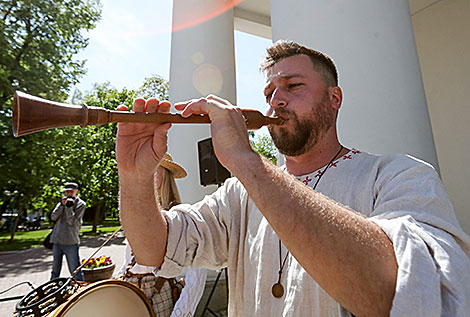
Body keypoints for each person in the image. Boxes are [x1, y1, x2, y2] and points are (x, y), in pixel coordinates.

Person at [115, 40, 470, 316]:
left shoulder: (398, 175)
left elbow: (406, 293)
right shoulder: (239, 193)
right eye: (269, 93)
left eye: (294, 86)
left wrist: (246, 161)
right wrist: (134, 177)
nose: (276, 102)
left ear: (335, 98)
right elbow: (155, 250)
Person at [116, 153, 207, 317]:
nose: (146, 173)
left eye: (154, 168)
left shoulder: (178, 215)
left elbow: (198, 273)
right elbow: (129, 258)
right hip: (130, 290)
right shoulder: (137, 214)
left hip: (158, 292)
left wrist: (181, 313)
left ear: (165, 175)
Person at [50, 182, 86, 281]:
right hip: (57, 240)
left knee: (75, 270)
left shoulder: (81, 204)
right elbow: (53, 217)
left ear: (76, 192)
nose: (69, 194)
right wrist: (62, 205)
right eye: (66, 192)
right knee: (55, 270)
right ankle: (51, 289)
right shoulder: (62, 202)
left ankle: (80, 290)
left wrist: (68, 207)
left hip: (70, 242)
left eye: (71, 191)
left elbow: (71, 222)